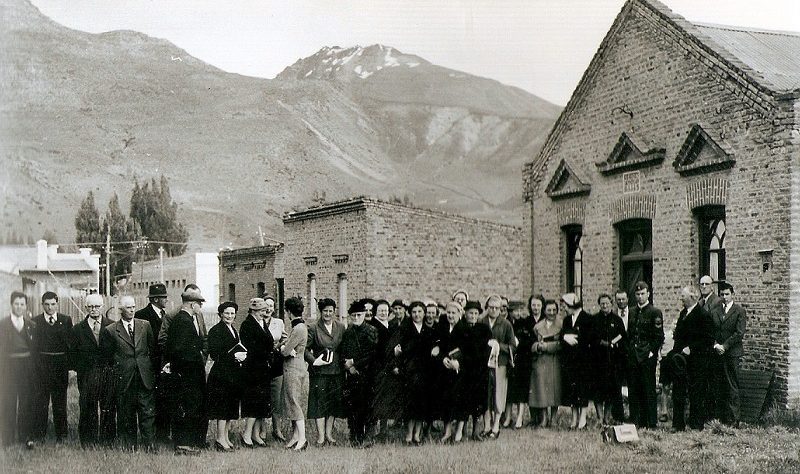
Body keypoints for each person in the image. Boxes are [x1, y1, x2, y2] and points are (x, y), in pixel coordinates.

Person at [99, 296, 156, 451]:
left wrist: (150, 370)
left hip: (144, 377)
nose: (132, 310)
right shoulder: (111, 331)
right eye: (128, 307)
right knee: (126, 413)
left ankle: (150, 446)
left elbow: (152, 351)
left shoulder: (145, 325)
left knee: (147, 413)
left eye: (133, 307)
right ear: (121, 310)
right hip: (124, 378)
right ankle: (129, 446)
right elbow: (107, 358)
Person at [663, 286, 714, 431]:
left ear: (692, 297)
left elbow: (708, 339)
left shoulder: (703, 315)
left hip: (697, 361)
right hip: (681, 361)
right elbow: (679, 336)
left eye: (683, 296)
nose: (681, 298)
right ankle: (678, 424)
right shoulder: (683, 314)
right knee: (678, 390)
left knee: (696, 392)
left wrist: (691, 348)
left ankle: (696, 424)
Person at [165, 287, 208, 455]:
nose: (200, 308)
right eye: (199, 304)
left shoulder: (183, 319)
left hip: (187, 373)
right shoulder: (184, 321)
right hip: (188, 374)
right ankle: (184, 444)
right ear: (192, 304)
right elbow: (180, 350)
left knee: (189, 406)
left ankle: (186, 443)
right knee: (187, 407)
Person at [71, 293, 116, 448]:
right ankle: (88, 441)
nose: (94, 310)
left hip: (107, 372)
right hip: (87, 374)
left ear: (102, 307)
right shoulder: (77, 329)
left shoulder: (112, 326)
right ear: (85, 308)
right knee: (87, 406)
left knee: (108, 406)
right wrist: (81, 370)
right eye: (90, 306)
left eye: (97, 306)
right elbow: (73, 354)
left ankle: (107, 441)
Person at [32, 291, 72, 444]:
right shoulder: (35, 322)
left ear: (57, 304)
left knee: (60, 403)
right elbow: (34, 348)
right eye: (47, 304)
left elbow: (70, 346)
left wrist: (66, 366)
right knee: (41, 402)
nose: (50, 307)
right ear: (42, 305)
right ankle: (39, 435)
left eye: (53, 304)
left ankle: (62, 435)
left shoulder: (65, 320)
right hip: (42, 369)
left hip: (59, 369)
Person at [0, 291, 38, 448]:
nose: (19, 307)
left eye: (22, 304)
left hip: (26, 368)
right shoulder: (3, 325)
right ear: (11, 304)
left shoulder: (31, 325)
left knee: (26, 402)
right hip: (8, 368)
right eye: (16, 304)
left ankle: (25, 436)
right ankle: (7, 438)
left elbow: (34, 350)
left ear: (26, 306)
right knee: (8, 401)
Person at [134, 283, 171, 444]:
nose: (166, 300)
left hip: (164, 365)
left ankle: (163, 435)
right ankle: (151, 436)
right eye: (164, 298)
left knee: (164, 400)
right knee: (150, 402)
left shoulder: (165, 315)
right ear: (156, 299)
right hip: (149, 366)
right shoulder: (142, 315)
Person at [305, 298, 344, 446]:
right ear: (321, 312)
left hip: (336, 372)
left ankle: (329, 434)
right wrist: (314, 361)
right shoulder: (313, 328)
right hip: (319, 372)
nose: (328, 314)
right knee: (319, 403)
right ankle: (321, 436)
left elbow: (343, 348)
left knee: (333, 403)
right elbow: (305, 349)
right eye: (325, 311)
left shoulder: (340, 327)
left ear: (334, 312)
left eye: (330, 311)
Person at [206, 302, 245, 452]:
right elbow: (215, 354)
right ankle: (220, 439)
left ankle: (226, 438)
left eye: (232, 313)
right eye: (227, 313)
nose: (230, 316)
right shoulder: (216, 330)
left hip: (232, 374)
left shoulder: (233, 330)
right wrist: (234, 356)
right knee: (222, 407)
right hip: (221, 374)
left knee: (230, 407)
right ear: (221, 314)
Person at [340, 300, 378, 447]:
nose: (356, 318)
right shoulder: (348, 331)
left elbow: (372, 354)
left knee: (368, 407)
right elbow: (342, 351)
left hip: (367, 375)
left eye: (359, 315)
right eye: (353, 315)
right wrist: (348, 366)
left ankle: (368, 438)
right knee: (354, 407)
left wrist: (354, 363)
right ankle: (355, 436)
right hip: (352, 375)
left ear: (364, 315)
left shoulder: (371, 330)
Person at [626, 281, 664, 429]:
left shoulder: (655, 312)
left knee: (648, 389)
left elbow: (658, 336)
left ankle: (651, 422)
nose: (640, 297)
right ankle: (636, 420)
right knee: (634, 389)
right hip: (634, 355)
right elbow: (630, 333)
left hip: (647, 356)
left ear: (648, 294)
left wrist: (651, 352)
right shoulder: (632, 311)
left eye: (643, 294)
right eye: (637, 294)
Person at [238, 298, 274, 447]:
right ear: (252, 311)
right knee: (253, 403)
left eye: (264, 310)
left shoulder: (262, 323)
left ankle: (256, 434)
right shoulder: (247, 325)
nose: (263, 313)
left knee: (261, 403)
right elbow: (251, 348)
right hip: (253, 370)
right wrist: (266, 354)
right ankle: (247, 435)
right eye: (260, 311)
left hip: (263, 369)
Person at [480, 294, 516, 438]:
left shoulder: (506, 324)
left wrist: (499, 346)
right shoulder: (481, 322)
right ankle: (486, 425)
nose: (494, 310)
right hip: (484, 364)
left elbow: (513, 346)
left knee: (498, 394)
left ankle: (496, 426)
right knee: (486, 394)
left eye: (497, 308)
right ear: (487, 307)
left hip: (500, 364)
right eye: (491, 307)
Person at [711, 281, 746, 427]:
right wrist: (715, 344)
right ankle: (721, 417)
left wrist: (725, 346)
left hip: (732, 353)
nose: (724, 297)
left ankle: (734, 419)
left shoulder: (739, 311)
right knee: (719, 385)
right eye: (722, 294)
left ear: (733, 295)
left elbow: (739, 333)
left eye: (727, 294)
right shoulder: (715, 310)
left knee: (732, 385)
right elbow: (711, 330)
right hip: (717, 353)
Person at [397, 301, 433, 444]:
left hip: (424, 373)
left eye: (419, 311)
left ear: (424, 313)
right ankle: (408, 434)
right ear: (410, 314)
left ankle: (417, 434)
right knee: (410, 404)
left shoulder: (429, 331)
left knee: (421, 404)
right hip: (409, 372)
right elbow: (399, 350)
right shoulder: (404, 330)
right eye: (414, 312)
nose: (417, 315)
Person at [371, 300, 406, 439]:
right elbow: (378, 349)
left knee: (386, 399)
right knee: (377, 399)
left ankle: (384, 430)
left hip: (389, 368)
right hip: (379, 367)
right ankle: (374, 430)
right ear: (376, 312)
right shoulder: (374, 326)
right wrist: (393, 352)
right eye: (381, 311)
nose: (384, 313)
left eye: (386, 311)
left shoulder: (391, 326)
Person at [592, 293, 626, 425]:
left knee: (611, 391)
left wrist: (615, 344)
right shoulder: (595, 320)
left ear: (611, 304)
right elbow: (592, 338)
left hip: (613, 361)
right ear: (599, 305)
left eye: (607, 303)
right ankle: (599, 418)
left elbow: (623, 337)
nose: (605, 306)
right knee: (598, 391)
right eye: (602, 304)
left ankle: (607, 417)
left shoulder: (617, 320)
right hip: (598, 361)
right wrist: (602, 343)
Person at [460, 301, 492, 440]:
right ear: (465, 313)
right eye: (470, 313)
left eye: (475, 313)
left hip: (480, 371)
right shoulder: (461, 328)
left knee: (480, 402)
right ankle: (462, 431)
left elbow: (489, 348)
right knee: (465, 400)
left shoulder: (484, 329)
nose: (473, 316)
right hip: (465, 372)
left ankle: (476, 431)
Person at [435, 302, 467, 442]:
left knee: (460, 400)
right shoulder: (442, 328)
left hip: (460, 372)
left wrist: (458, 363)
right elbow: (437, 348)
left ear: (460, 314)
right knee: (446, 400)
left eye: (454, 313)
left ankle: (459, 431)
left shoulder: (465, 329)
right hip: (446, 371)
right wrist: (443, 359)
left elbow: (469, 351)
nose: (451, 315)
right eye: (448, 313)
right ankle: (447, 431)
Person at [528, 299, 563, 428]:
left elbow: (562, 344)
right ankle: (544, 418)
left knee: (555, 390)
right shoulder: (537, 327)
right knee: (541, 390)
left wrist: (547, 346)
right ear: (544, 311)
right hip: (541, 362)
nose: (551, 313)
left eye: (554, 310)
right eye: (549, 310)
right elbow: (530, 344)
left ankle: (553, 418)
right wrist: (537, 346)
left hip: (555, 361)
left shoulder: (561, 325)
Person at [280, 297, 308, 451]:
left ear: (289, 312)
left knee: (294, 402)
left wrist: (283, 348)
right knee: (295, 401)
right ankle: (296, 437)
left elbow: (285, 351)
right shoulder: (300, 326)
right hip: (299, 367)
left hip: (293, 368)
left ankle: (302, 438)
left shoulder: (298, 328)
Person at [259, 295, 288, 443]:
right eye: (266, 306)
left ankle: (277, 430)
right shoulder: (257, 322)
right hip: (262, 364)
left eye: (271, 306)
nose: (268, 309)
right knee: (263, 397)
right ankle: (262, 430)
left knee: (276, 398)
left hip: (276, 363)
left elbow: (285, 339)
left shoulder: (279, 322)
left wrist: (281, 346)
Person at [506, 300, 534, 429]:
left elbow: (529, 341)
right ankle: (507, 417)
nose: (518, 313)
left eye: (519, 311)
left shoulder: (525, 323)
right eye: (515, 311)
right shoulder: (507, 323)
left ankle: (520, 417)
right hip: (510, 360)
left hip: (522, 360)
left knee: (521, 390)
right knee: (510, 389)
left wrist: (520, 342)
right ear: (510, 312)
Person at [612, 289, 632, 423]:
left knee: (632, 384)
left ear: (628, 299)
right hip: (617, 356)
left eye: (623, 299)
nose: (621, 302)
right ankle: (618, 415)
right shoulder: (613, 316)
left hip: (632, 354)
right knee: (616, 385)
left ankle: (633, 415)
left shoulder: (634, 313)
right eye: (618, 299)